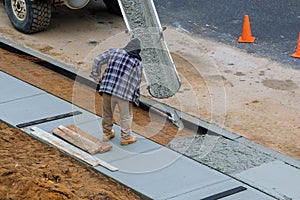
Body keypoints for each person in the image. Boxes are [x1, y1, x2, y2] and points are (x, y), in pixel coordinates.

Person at [90, 38, 143, 145]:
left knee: (107, 113)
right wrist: (135, 99)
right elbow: (136, 82)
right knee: (126, 116)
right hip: (124, 94)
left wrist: (96, 77)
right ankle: (126, 138)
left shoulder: (115, 52)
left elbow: (97, 60)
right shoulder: (138, 63)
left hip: (107, 89)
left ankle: (107, 133)